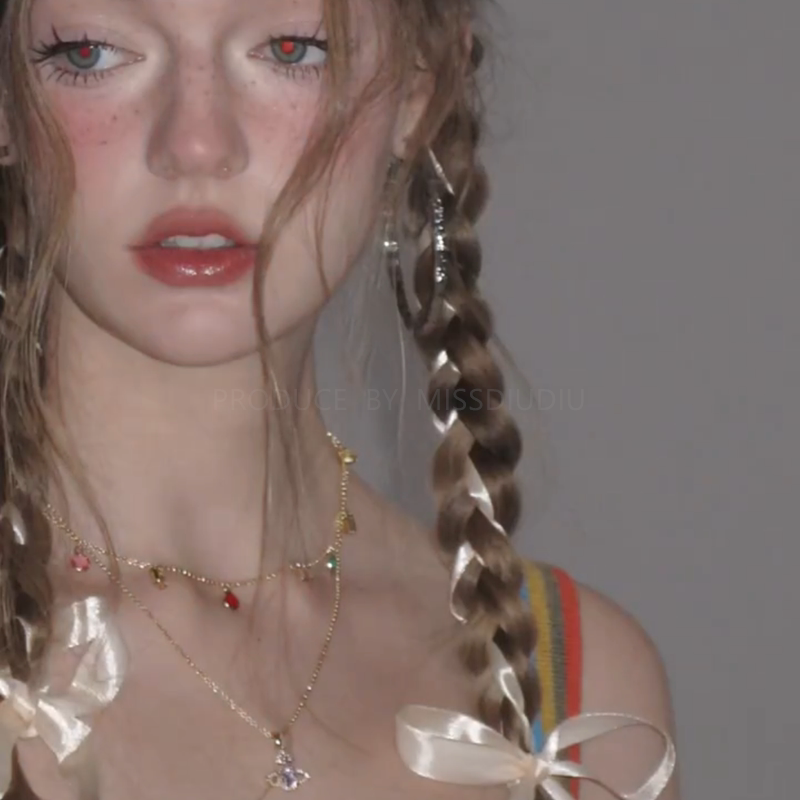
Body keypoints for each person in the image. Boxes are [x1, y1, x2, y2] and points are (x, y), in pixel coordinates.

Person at [0, 0, 679, 798]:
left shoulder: (586, 703)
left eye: (292, 50)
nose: (196, 145)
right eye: (88, 54)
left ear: (420, 91)